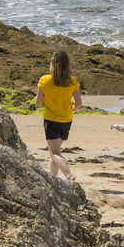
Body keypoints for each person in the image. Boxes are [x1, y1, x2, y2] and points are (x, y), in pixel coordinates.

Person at [35, 49, 81, 182]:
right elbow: (79, 103)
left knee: (55, 153)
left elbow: (38, 101)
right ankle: (52, 180)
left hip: (51, 120)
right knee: (53, 153)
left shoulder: (45, 80)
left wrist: (47, 104)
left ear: (52, 64)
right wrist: (73, 109)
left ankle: (69, 175)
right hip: (67, 119)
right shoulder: (72, 81)